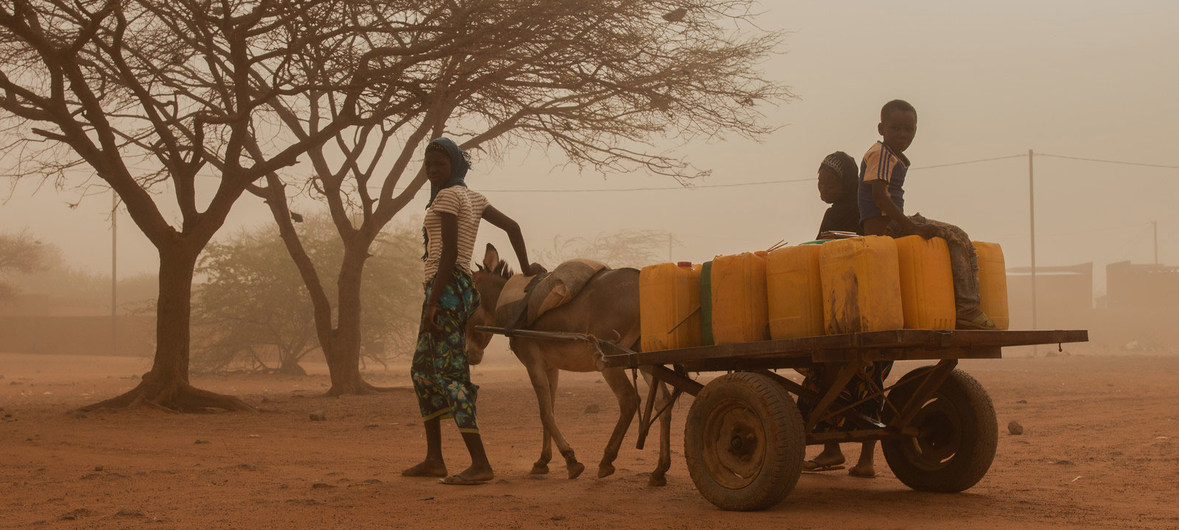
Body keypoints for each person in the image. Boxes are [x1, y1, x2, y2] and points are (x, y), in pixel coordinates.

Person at [401, 137, 534, 486]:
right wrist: (525, 267)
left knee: (451, 375)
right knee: (421, 371)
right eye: (428, 165)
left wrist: (432, 303)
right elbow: (514, 227)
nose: (432, 170)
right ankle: (434, 459)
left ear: (455, 166)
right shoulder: (474, 198)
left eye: (439, 165)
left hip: (445, 290)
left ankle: (480, 464)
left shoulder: (447, 197)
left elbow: (445, 255)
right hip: (457, 289)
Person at [859, 99, 996, 331]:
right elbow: (880, 197)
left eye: (909, 129)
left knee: (948, 236)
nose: (903, 134)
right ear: (881, 129)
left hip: (891, 223)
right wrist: (911, 227)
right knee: (957, 236)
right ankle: (967, 309)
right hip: (886, 227)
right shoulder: (881, 153)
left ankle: (957, 306)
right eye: (895, 128)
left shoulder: (891, 155)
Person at [801, 151, 886, 478]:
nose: (822, 188)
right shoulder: (847, 211)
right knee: (871, 382)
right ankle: (860, 458)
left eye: (828, 182)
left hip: (852, 308)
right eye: (819, 182)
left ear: (847, 181)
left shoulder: (855, 213)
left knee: (827, 376)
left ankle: (834, 450)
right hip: (867, 306)